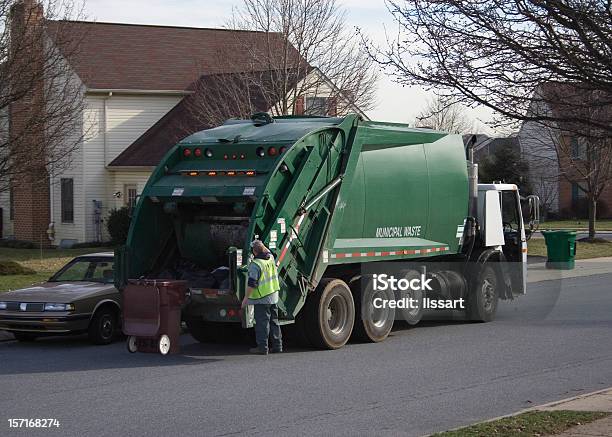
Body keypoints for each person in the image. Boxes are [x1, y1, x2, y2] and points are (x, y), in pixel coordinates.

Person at [241, 240, 283, 355]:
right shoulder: (270, 257)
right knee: (274, 321)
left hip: (262, 298)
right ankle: (278, 346)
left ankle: (262, 348)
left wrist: (245, 298)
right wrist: (259, 244)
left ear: (254, 252)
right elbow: (265, 249)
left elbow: (252, 284)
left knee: (262, 323)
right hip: (273, 295)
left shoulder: (256, 264)